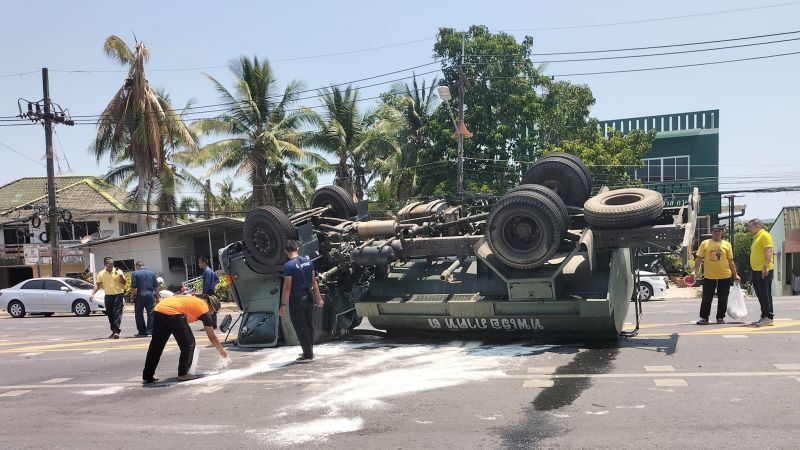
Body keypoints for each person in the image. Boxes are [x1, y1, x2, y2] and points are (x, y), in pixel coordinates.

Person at [142, 294, 228, 383]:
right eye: (214, 311)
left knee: (157, 345)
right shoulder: (204, 310)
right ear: (211, 306)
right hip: (173, 312)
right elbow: (212, 337)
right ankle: (183, 374)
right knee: (189, 344)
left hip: (159, 309)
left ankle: (148, 375)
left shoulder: (197, 301)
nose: (212, 314)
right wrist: (222, 351)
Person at [280, 240, 324, 363]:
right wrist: (319, 298)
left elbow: (287, 287)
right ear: (297, 248)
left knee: (300, 326)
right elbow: (314, 282)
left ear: (286, 252)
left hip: (296, 299)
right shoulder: (308, 261)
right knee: (309, 324)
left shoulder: (288, 266)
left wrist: (283, 305)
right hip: (309, 297)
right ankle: (309, 350)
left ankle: (308, 354)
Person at [693, 224, 740, 325]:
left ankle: (720, 318)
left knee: (723, 298)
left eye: (719, 231)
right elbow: (699, 259)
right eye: (715, 231)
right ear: (712, 232)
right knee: (706, 298)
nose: (717, 233)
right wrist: (694, 271)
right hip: (709, 276)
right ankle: (704, 318)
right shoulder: (705, 243)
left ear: (722, 232)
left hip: (725, 275)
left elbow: (731, 261)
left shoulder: (727, 245)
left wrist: (735, 274)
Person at [90, 257, 126, 339]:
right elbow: (98, 285)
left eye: (112, 263)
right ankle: (114, 331)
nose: (111, 265)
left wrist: (120, 275)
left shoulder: (118, 271)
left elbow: (124, 282)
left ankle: (116, 331)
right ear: (105, 264)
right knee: (110, 314)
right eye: (109, 263)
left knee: (117, 313)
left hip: (118, 294)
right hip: (108, 296)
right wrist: (92, 294)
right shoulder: (101, 273)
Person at [748, 218, 775, 326]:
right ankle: (764, 315)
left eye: (750, 227)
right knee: (760, 293)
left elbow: (768, 251)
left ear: (757, 226)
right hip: (756, 270)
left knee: (765, 293)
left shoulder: (764, 235)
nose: (749, 229)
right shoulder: (756, 237)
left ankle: (769, 316)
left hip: (763, 270)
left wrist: (765, 267)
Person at [131, 261, 160, 337]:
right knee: (151, 313)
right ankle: (150, 331)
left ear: (137, 266)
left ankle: (142, 332)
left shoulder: (134, 273)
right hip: (150, 295)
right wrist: (158, 297)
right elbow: (156, 287)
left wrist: (131, 297)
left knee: (139, 314)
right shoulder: (152, 273)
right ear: (144, 265)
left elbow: (133, 287)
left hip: (140, 294)